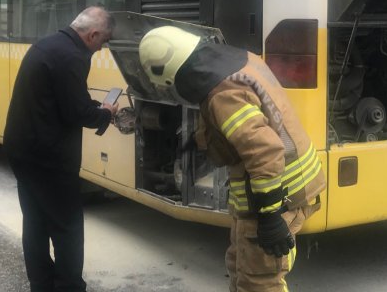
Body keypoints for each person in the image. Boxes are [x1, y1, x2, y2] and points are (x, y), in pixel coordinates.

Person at [139, 25, 326, 292]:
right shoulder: (243, 62)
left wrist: (271, 215)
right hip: (283, 188)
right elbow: (253, 117)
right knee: (240, 266)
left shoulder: (223, 95)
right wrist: (201, 140)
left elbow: (266, 150)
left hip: (275, 197)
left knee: (259, 281)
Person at [4, 6, 119, 292]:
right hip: (49, 161)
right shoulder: (73, 57)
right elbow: (76, 113)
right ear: (92, 35)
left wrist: (92, 107)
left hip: (22, 151)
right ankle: (69, 286)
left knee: (35, 222)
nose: (101, 48)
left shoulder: (49, 45)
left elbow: (62, 101)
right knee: (67, 228)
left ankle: (41, 284)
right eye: (103, 42)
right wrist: (106, 113)